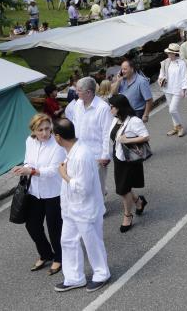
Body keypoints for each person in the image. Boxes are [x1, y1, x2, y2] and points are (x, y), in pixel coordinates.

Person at [52, 118, 111, 293]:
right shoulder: (72, 151)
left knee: (93, 243)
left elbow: (83, 188)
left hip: (86, 209)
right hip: (72, 208)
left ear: (57, 137)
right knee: (68, 241)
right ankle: (74, 277)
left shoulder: (81, 155)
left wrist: (64, 175)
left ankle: (101, 274)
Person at [12, 113, 66, 276]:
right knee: (33, 226)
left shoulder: (57, 145)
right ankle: (45, 254)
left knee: (54, 228)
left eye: (47, 129)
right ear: (33, 130)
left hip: (53, 192)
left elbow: (53, 170)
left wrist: (32, 171)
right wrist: (24, 168)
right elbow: (28, 160)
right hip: (35, 191)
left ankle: (59, 257)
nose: (44, 133)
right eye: (40, 130)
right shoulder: (30, 141)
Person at [107, 94, 149, 234]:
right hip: (119, 157)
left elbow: (146, 136)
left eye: (112, 106)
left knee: (123, 189)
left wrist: (127, 140)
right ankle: (138, 201)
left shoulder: (134, 121)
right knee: (123, 186)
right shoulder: (116, 120)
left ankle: (127, 215)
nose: (110, 109)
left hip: (129, 159)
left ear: (119, 107)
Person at [70, 77, 113, 197]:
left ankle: (100, 209)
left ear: (88, 92)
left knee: (98, 183)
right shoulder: (78, 104)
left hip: (97, 154)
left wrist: (106, 155)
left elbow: (107, 133)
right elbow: (74, 124)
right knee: (84, 182)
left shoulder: (102, 108)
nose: (76, 92)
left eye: (78, 90)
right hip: (80, 151)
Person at [158, 43, 187, 137]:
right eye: (168, 53)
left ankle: (180, 127)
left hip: (178, 90)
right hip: (167, 89)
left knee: (172, 110)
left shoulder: (181, 63)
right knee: (170, 109)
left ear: (175, 53)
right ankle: (175, 127)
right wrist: (161, 79)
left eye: (171, 53)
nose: (169, 55)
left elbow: (184, 77)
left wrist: (184, 89)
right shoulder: (165, 62)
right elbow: (161, 74)